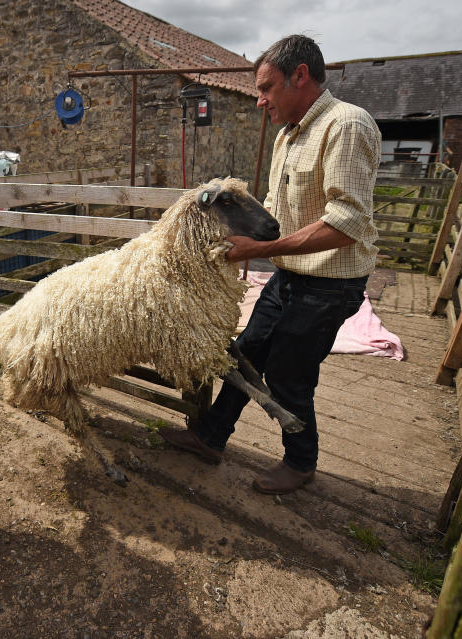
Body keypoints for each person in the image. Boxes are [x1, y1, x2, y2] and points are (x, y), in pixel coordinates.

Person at [159, 34, 380, 495]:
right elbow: (275, 214)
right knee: (247, 350)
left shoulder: (346, 125)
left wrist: (253, 252)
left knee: (288, 374)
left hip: (328, 283)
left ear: (300, 76)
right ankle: (210, 437)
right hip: (290, 274)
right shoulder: (288, 135)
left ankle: (301, 463)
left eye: (266, 88)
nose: (259, 100)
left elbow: (346, 223)